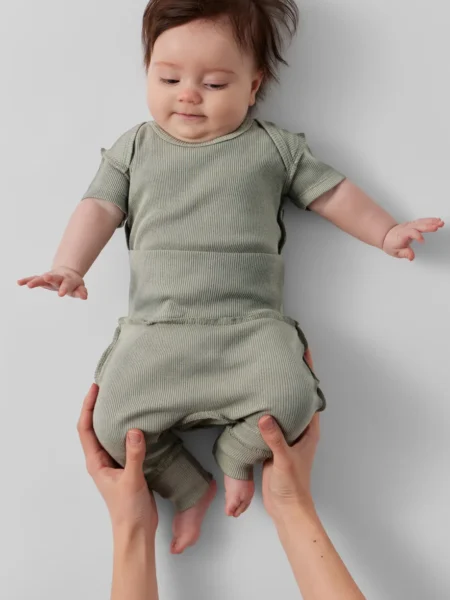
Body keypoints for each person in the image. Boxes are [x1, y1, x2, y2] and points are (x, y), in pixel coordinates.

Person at [19, 0, 444, 555]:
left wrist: (386, 231)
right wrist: (69, 265)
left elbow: (333, 193)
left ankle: (237, 454)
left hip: (250, 329)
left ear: (253, 85)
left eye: (214, 83)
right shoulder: (135, 147)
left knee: (296, 398)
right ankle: (186, 487)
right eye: (168, 78)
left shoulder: (272, 147)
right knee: (110, 423)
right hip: (157, 332)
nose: (188, 95)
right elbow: (98, 207)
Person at [77, 376, 366, 600]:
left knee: (117, 434)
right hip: (164, 334)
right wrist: (291, 504)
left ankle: (205, 474)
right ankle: (195, 482)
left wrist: (131, 526)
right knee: (114, 433)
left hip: (242, 331)